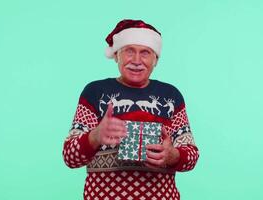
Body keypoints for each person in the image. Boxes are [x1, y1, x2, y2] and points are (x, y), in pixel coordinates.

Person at [63, 19, 199, 200]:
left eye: (145, 53)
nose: (136, 60)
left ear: (155, 59)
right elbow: (70, 158)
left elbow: (191, 155)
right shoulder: (95, 93)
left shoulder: (171, 96)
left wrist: (172, 155)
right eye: (129, 51)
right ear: (117, 55)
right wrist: (95, 136)